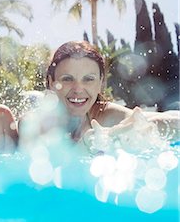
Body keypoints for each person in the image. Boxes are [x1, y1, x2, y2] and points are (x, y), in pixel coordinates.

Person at [21, 41, 178, 153]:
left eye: (88, 79)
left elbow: (159, 123)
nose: (78, 89)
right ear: (51, 82)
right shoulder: (36, 124)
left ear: (101, 83)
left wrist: (144, 131)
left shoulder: (108, 116)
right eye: (67, 79)